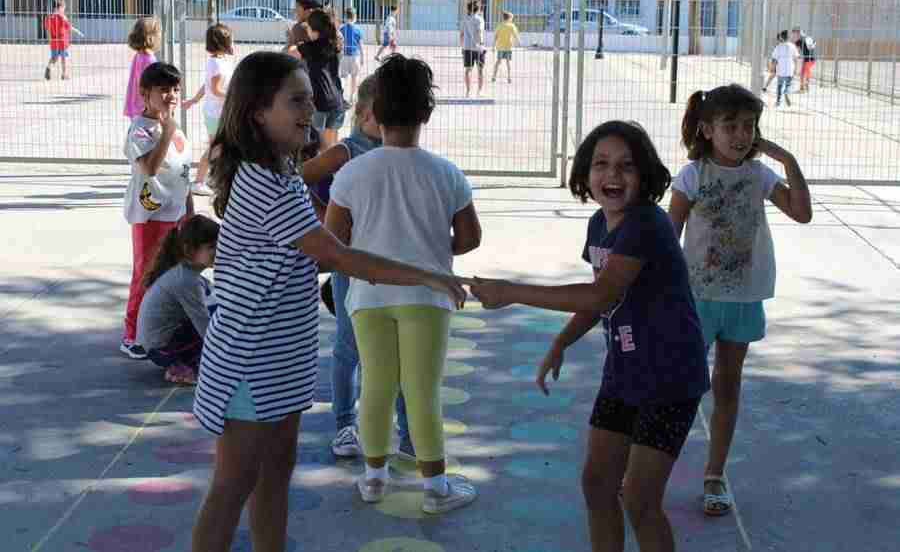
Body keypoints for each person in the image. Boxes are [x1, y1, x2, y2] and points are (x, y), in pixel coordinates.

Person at [189, 50, 466, 552]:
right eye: (295, 101)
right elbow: (341, 257)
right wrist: (429, 274)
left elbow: (313, 256)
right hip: (249, 362)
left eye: (310, 100)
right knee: (232, 487)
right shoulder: (264, 183)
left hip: (281, 361)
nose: (308, 111)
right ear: (257, 112)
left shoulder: (281, 176)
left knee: (275, 477)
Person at [469, 120, 710, 552]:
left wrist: (511, 291)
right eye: (601, 164)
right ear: (584, 171)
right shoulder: (601, 224)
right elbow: (601, 300)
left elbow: (602, 292)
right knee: (597, 487)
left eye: (626, 166)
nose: (612, 176)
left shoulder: (647, 225)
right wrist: (563, 340)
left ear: (646, 175)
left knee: (639, 500)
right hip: (625, 373)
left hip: (670, 380)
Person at [326, 54, 482, 514]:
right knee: (422, 390)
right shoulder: (446, 173)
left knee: (374, 383)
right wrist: (429, 252)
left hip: (368, 298)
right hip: (427, 299)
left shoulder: (352, 172)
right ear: (427, 113)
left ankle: (373, 479)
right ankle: (436, 488)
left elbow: (336, 240)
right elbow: (470, 237)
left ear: (373, 112)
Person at [668, 84, 812, 517]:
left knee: (728, 385)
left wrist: (788, 161)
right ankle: (647, 467)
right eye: (730, 126)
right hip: (697, 299)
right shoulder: (693, 175)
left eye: (748, 126)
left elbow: (802, 212)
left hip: (745, 297)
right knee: (678, 389)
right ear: (708, 129)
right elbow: (667, 238)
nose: (741, 135)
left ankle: (715, 475)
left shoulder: (760, 174)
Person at [301, 75, 413, 459]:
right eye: (385, 112)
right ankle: (345, 424)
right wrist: (327, 221)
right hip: (351, 264)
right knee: (350, 345)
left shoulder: (402, 148)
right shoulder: (347, 151)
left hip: (391, 263)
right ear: (365, 113)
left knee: (397, 348)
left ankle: (406, 430)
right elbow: (297, 182)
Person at [121, 62, 194, 361]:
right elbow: (149, 168)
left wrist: (189, 210)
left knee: (170, 274)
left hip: (175, 213)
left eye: (175, 89)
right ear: (145, 94)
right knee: (146, 274)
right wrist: (167, 132)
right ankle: (131, 334)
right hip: (150, 215)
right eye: (163, 90)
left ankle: (161, 329)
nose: (171, 95)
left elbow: (183, 174)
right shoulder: (141, 129)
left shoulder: (172, 128)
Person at [137, 215, 219, 385]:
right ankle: (182, 367)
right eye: (212, 246)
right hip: (161, 349)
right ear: (190, 250)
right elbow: (204, 325)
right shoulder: (186, 280)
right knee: (217, 325)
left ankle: (184, 364)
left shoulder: (187, 272)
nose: (219, 251)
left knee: (217, 312)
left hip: (157, 345)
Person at [183, 23, 235, 196]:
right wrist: (233, 96)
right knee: (215, 147)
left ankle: (212, 178)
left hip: (215, 112)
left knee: (220, 147)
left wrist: (193, 100)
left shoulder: (216, 61)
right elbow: (215, 89)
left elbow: (206, 86)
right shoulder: (218, 65)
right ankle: (198, 181)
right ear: (223, 43)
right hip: (216, 114)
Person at [293, 9, 346, 153]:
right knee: (331, 148)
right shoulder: (335, 44)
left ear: (312, 29)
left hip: (319, 102)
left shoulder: (309, 47)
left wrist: (295, 38)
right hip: (337, 101)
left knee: (317, 150)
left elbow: (289, 54)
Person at [124, 17, 161, 119]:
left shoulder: (139, 55)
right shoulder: (150, 60)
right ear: (152, 37)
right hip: (145, 111)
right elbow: (151, 87)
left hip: (135, 107)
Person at [43, 0, 83, 81]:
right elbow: (69, 26)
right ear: (60, 7)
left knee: (54, 57)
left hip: (54, 41)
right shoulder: (62, 17)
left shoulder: (49, 17)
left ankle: (48, 67)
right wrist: (77, 31)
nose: (64, 9)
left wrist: (50, 39)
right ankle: (64, 74)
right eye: (64, 8)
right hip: (62, 41)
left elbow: (47, 29)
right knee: (64, 58)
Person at [460, 0, 486, 97]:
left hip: (467, 47)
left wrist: (462, 46)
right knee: (480, 70)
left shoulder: (464, 19)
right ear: (478, 9)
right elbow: (480, 33)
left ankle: (468, 91)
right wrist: (481, 43)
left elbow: (461, 34)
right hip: (478, 48)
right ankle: (480, 91)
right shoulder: (480, 19)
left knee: (468, 70)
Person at [339, 8, 365, 103]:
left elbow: (339, 43)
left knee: (343, 77)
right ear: (355, 16)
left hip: (344, 55)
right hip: (355, 56)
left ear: (346, 16)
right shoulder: (358, 30)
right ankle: (352, 97)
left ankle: (341, 95)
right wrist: (363, 57)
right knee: (355, 76)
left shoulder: (341, 29)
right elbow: (361, 45)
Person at [770, 30, 800, 108]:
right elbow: (796, 58)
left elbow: (774, 59)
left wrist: (772, 68)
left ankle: (778, 102)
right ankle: (786, 92)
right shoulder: (792, 46)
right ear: (788, 37)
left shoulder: (778, 47)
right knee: (788, 84)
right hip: (790, 69)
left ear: (781, 37)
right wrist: (796, 69)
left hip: (780, 69)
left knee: (779, 86)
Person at [492, 11, 520, 84]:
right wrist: (518, 42)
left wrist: (493, 46)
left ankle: (494, 76)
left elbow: (495, 36)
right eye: (512, 18)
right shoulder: (512, 26)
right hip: (508, 47)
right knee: (508, 63)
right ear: (509, 18)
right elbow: (515, 35)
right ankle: (509, 77)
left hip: (500, 47)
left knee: (498, 62)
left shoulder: (499, 25)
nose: (512, 19)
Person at [792, 26, 817, 93]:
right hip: (807, 58)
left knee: (803, 73)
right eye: (794, 33)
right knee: (805, 72)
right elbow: (795, 49)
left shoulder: (806, 38)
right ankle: (805, 86)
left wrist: (811, 46)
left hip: (810, 58)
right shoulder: (799, 41)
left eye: (795, 33)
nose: (794, 35)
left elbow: (814, 43)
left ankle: (803, 88)